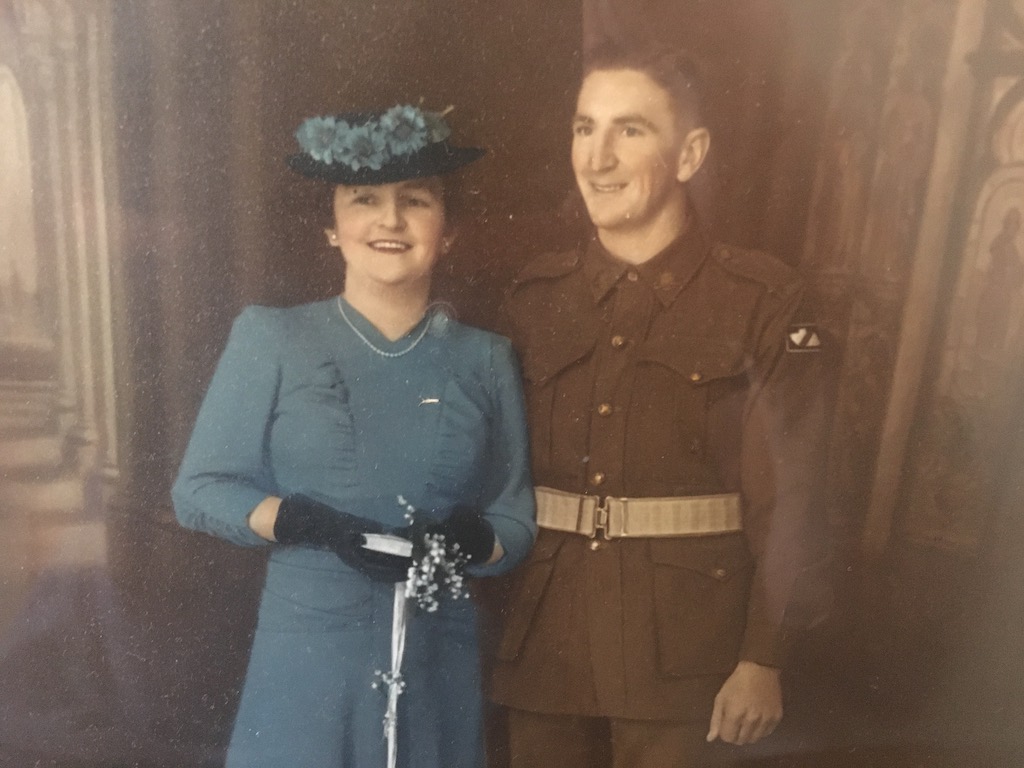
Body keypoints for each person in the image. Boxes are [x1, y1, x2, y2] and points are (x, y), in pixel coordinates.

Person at [489, 45, 830, 767]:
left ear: (690, 153)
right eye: (585, 128)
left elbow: (795, 497)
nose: (598, 158)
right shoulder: (534, 298)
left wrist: (763, 658)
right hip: (547, 644)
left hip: (689, 659)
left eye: (630, 130)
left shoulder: (763, 302)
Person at [172, 104, 536, 768]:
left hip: (435, 660)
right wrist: (303, 521)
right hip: (306, 661)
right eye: (364, 199)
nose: (389, 220)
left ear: (447, 232)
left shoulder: (486, 358)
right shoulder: (272, 338)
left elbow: (514, 520)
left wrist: (471, 537)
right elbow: (197, 490)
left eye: (416, 200)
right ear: (331, 228)